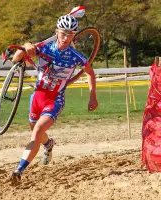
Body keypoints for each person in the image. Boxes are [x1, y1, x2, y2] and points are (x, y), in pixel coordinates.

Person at [11, 14, 98, 183]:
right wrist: (27, 46)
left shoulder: (76, 56)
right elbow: (16, 58)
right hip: (37, 97)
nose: (66, 38)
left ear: (75, 35)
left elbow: (90, 73)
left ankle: (19, 170)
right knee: (37, 133)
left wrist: (92, 97)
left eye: (71, 34)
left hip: (55, 100)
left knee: (36, 132)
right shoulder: (44, 48)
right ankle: (49, 144)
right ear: (56, 32)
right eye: (63, 33)